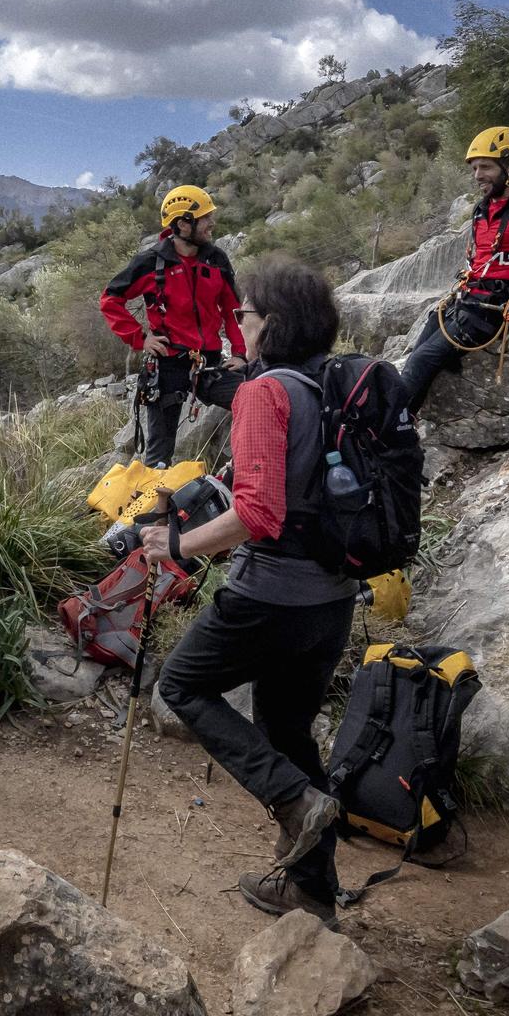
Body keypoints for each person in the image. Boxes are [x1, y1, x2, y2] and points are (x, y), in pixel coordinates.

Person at [144, 258, 354, 927]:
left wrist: (176, 547)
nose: (238, 323)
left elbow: (260, 514)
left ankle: (292, 800)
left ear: (273, 326)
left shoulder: (265, 393)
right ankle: (313, 893)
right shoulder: (332, 384)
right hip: (332, 596)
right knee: (288, 727)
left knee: (180, 686)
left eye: (246, 314)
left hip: (273, 594)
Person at [396, 126, 509, 413]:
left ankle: (387, 433)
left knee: (421, 361)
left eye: (486, 167)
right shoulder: (482, 208)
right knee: (419, 350)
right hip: (468, 301)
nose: (478, 175)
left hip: (495, 309)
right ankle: (405, 419)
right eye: (475, 168)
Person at [99, 185, 248, 466]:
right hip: (167, 367)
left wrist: (239, 353)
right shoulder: (151, 262)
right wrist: (140, 338)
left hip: (210, 364)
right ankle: (155, 506)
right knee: (158, 456)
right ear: (183, 223)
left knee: (254, 400)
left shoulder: (216, 259)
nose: (211, 224)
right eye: (205, 218)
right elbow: (110, 300)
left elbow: (232, 311)